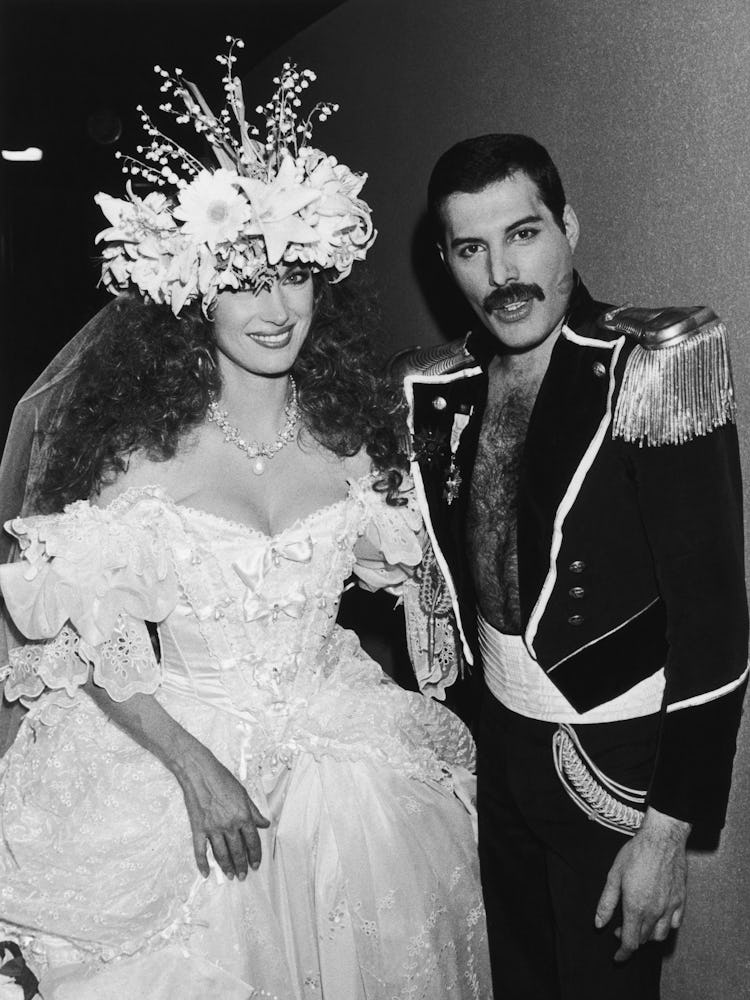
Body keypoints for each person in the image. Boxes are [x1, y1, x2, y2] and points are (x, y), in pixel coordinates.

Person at [0, 44, 491, 1000]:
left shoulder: (354, 444)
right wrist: (193, 766)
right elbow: (83, 640)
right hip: (182, 751)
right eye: (243, 279)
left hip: (344, 771)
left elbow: (414, 583)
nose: (275, 308)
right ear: (193, 296)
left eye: (295, 275)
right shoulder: (139, 454)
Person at [394, 133, 748, 999]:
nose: (501, 273)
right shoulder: (439, 388)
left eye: (524, 234)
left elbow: (715, 625)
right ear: (446, 260)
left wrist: (667, 834)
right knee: (513, 979)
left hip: (614, 761)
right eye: (472, 248)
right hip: (494, 744)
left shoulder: (653, 366)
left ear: (569, 228)